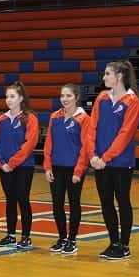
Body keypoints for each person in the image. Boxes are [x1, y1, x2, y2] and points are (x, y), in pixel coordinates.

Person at [88, 61, 139, 260]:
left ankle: (124, 245)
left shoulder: (132, 101)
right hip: (99, 161)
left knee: (122, 201)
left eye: (107, 74)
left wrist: (106, 157)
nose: (104, 77)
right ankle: (113, 242)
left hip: (121, 161)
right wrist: (92, 155)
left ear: (119, 76)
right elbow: (92, 127)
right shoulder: (102, 97)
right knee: (105, 202)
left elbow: (125, 134)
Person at [43, 84, 90, 254]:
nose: (65, 99)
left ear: (76, 97)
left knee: (74, 203)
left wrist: (78, 171)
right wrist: (47, 166)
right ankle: (62, 237)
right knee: (57, 204)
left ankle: (72, 239)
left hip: (74, 169)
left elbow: (85, 147)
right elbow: (49, 142)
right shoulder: (54, 117)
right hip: (56, 167)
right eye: (62, 95)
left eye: (69, 95)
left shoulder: (84, 118)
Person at [0, 82, 39, 249]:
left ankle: (26, 237)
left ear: (20, 98)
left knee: (22, 200)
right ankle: (10, 235)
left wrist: (12, 163)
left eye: (12, 96)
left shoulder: (30, 118)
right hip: (5, 168)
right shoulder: (1, 120)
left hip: (24, 167)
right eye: (7, 97)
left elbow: (29, 144)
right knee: (10, 201)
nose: (9, 100)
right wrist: (2, 163)